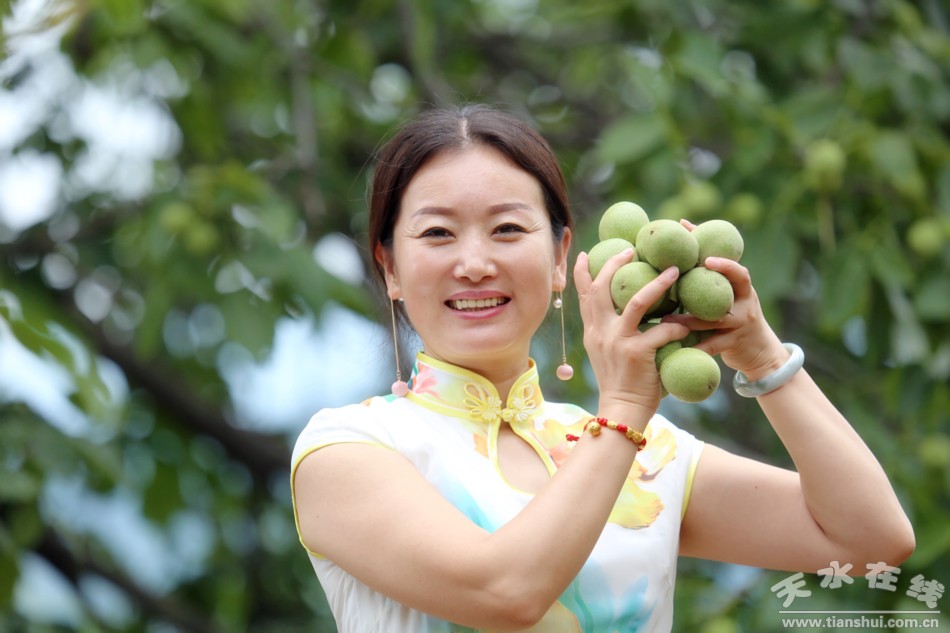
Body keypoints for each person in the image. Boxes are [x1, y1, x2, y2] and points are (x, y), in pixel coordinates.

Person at [290, 104, 914, 632]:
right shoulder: (348, 450)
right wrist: (623, 410)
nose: (475, 262)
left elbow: (869, 541)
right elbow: (504, 593)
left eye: (507, 228)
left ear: (561, 257)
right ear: (390, 267)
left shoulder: (648, 455)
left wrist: (762, 356)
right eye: (437, 234)